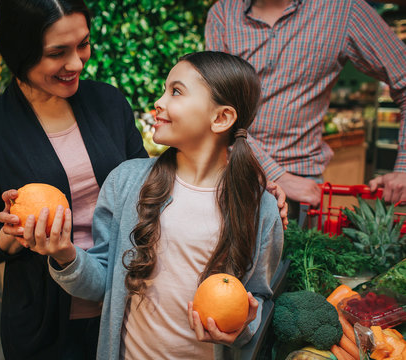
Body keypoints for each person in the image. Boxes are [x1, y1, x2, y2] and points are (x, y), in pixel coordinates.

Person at [19, 52, 284, 359]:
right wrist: (63, 253)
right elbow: (103, 284)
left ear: (221, 117)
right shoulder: (127, 183)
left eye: (176, 91)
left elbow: (259, 298)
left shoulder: (260, 209)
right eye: (164, 89)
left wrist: (243, 327)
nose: (159, 101)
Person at [0, 0, 149, 358]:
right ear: (20, 52)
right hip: (45, 325)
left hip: (128, 306)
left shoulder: (108, 103)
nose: (76, 63)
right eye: (57, 52)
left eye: (83, 44)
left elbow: (148, 185)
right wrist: (9, 232)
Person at [206, 0, 406, 213]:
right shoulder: (224, 12)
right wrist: (276, 175)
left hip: (300, 188)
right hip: (232, 175)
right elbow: (217, 108)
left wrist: (404, 167)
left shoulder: (343, 9)